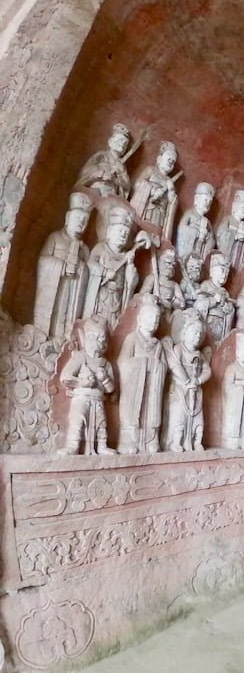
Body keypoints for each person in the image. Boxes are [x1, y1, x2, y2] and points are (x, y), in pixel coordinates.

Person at [34, 191, 92, 341]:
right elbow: (42, 261)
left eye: (85, 220)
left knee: (65, 318)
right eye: (78, 218)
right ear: (68, 218)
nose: (81, 223)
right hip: (54, 286)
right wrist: (61, 266)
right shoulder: (55, 238)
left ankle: (64, 339)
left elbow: (88, 273)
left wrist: (81, 269)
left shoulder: (84, 249)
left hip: (73, 292)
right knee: (53, 316)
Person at [57, 317, 116, 455]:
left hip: (98, 400)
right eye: (96, 338)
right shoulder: (80, 357)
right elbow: (65, 377)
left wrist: (105, 379)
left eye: (103, 338)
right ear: (89, 338)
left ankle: (102, 446)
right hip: (81, 398)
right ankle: (73, 445)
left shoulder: (106, 363)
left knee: (101, 425)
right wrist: (82, 382)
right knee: (77, 421)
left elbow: (111, 389)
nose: (100, 342)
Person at [117, 295, 167, 454]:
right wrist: (142, 364)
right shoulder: (132, 338)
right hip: (134, 387)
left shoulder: (158, 345)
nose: (154, 321)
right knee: (132, 414)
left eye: (157, 319)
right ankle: (128, 442)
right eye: (150, 317)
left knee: (150, 414)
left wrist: (158, 367)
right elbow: (122, 362)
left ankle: (150, 441)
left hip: (152, 387)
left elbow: (164, 366)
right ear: (140, 319)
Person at [164, 309, 212, 452]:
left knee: (198, 420)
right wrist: (186, 382)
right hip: (180, 390)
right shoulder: (178, 349)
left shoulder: (199, 355)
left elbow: (207, 370)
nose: (197, 336)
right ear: (185, 333)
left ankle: (196, 441)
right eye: (194, 332)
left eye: (200, 334)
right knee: (179, 417)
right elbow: (174, 365)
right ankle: (176, 441)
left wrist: (198, 381)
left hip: (196, 391)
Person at [130, 140, 179, 240]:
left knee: (155, 234)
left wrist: (171, 190)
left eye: (173, 162)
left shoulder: (169, 181)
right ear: (159, 159)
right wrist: (151, 190)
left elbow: (172, 202)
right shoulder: (151, 170)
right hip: (146, 210)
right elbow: (138, 184)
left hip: (160, 213)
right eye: (169, 159)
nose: (170, 163)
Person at [76, 123, 132, 197]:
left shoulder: (121, 165)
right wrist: (101, 173)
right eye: (119, 141)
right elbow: (86, 170)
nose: (121, 145)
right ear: (110, 141)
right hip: (98, 186)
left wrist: (118, 179)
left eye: (124, 144)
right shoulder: (101, 155)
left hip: (112, 192)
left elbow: (127, 186)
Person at [176, 182, 215, 265]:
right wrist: (197, 233)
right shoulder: (190, 214)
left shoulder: (207, 222)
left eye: (210, 201)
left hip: (200, 253)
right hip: (187, 251)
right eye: (205, 200)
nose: (207, 203)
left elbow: (212, 241)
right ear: (196, 199)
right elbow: (181, 229)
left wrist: (206, 236)